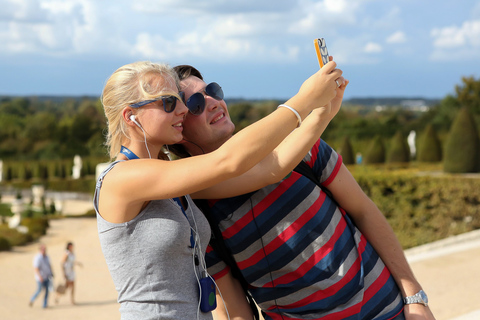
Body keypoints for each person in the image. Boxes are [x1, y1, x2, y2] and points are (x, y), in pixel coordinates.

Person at [170, 64, 437, 320]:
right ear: (179, 128)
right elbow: (234, 303)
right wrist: (312, 106)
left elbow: (364, 211)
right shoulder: (195, 212)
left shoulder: (300, 144)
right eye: (196, 104)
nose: (214, 102)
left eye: (213, 91)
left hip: (385, 310)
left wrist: (413, 296)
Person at [94, 60, 342, 319]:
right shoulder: (121, 179)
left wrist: (322, 113)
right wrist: (303, 100)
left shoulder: (171, 177)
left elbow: (266, 170)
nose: (182, 110)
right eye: (169, 102)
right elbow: (228, 161)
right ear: (130, 116)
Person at [29, 243, 53, 308]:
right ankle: (32, 299)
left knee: (47, 291)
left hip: (47, 276)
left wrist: (51, 272)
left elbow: (49, 265)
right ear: (40, 250)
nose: (44, 250)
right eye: (42, 249)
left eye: (45, 249)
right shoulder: (37, 258)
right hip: (40, 277)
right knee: (39, 290)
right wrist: (40, 277)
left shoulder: (47, 257)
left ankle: (44, 304)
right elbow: (36, 268)